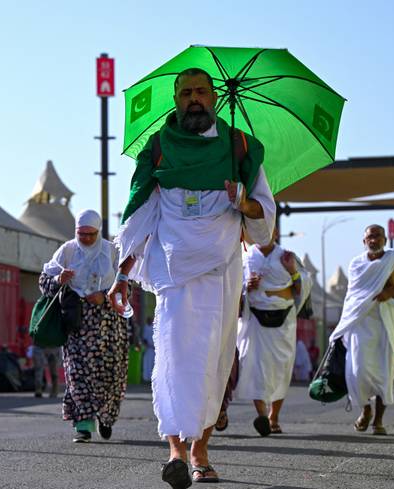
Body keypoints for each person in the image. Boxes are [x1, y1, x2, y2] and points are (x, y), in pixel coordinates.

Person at [109, 67, 275, 487]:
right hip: (173, 273)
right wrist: (122, 275)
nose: (195, 99)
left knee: (213, 363)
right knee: (174, 360)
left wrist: (244, 202)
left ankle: (201, 451)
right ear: (176, 99)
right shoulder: (159, 148)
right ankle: (175, 452)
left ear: (215, 97)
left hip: (222, 272)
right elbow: (142, 216)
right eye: (187, 93)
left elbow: (264, 219)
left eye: (202, 91)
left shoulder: (241, 148)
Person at [39, 209, 129, 443]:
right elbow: (44, 280)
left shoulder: (112, 252)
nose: (86, 239)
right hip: (76, 324)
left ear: (99, 232)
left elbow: (131, 283)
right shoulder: (67, 251)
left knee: (110, 375)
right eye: (82, 234)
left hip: (109, 326)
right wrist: (59, 279)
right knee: (77, 374)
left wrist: (105, 296)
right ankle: (83, 424)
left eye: (91, 234)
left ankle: (106, 418)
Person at [329, 224, 394, 436]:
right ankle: (365, 410)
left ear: (385, 239)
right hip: (360, 324)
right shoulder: (356, 264)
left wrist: (388, 294)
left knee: (384, 374)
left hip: (384, 324)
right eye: (369, 237)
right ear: (364, 241)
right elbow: (353, 297)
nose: (373, 240)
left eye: (377, 236)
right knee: (356, 372)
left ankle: (378, 420)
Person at [236, 233, 312, 435]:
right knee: (253, 365)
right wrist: (245, 286)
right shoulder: (244, 258)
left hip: (284, 319)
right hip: (254, 318)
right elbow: (232, 286)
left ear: (275, 232)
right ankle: (262, 415)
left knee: (281, 367)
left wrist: (293, 272)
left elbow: (303, 285)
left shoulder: (288, 256)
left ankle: (274, 416)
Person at [141, 316, 155, 382]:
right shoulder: (146, 327)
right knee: (147, 363)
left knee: (153, 363)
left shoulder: (154, 327)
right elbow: (144, 339)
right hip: (148, 349)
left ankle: (152, 378)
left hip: (154, 349)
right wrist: (147, 345)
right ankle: (146, 378)